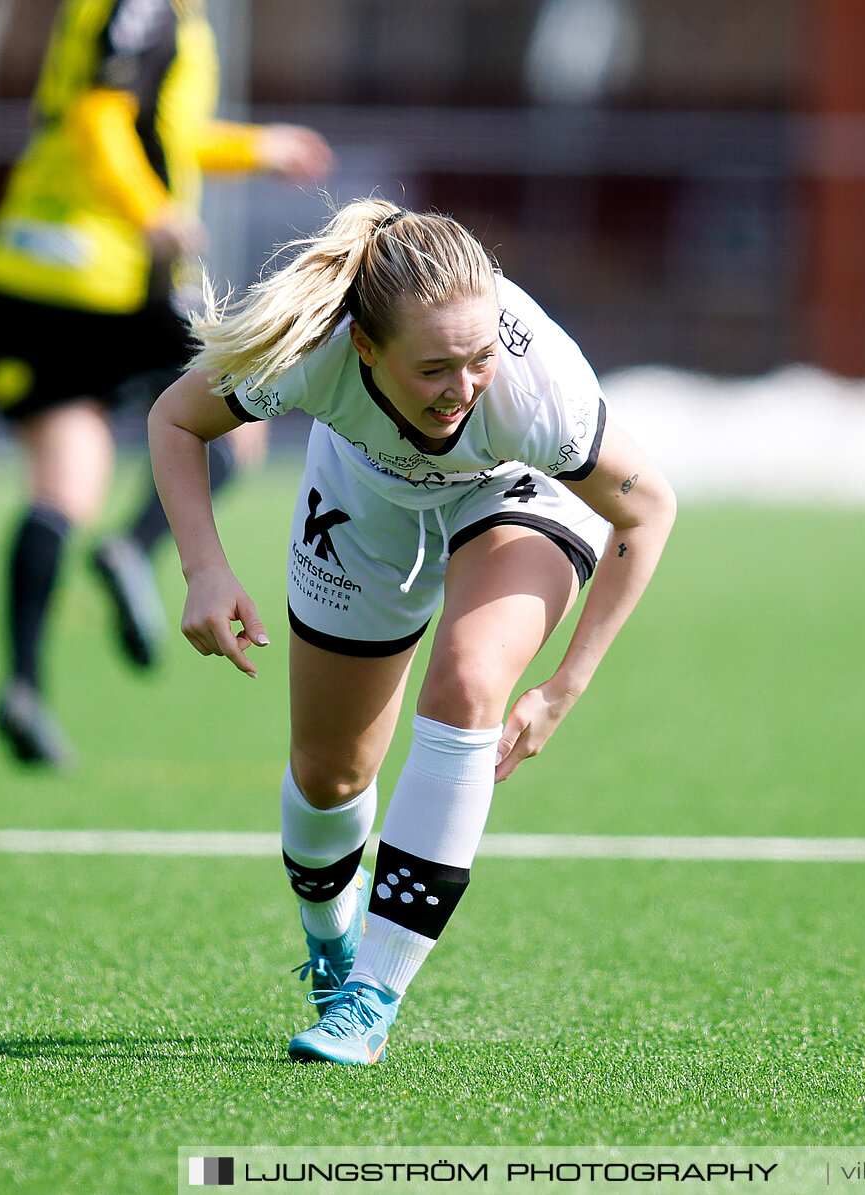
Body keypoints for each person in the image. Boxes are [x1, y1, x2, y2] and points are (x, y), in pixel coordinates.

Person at [148, 199, 677, 1065]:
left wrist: (561, 688)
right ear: (365, 349)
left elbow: (648, 509)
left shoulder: (535, 391)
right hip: (364, 504)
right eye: (433, 368)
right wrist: (206, 567)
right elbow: (175, 421)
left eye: (476, 360)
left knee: (469, 680)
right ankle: (332, 939)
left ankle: (372, 999)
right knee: (329, 776)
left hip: (512, 491)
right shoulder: (310, 351)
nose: (463, 386)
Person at [0, 0, 335, 768]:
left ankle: (24, 685)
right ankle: (133, 552)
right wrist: (153, 211)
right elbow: (101, 117)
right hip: (103, 275)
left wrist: (252, 147)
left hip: (24, 271)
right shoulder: (142, 4)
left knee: (64, 484)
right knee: (237, 417)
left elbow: (150, 129)